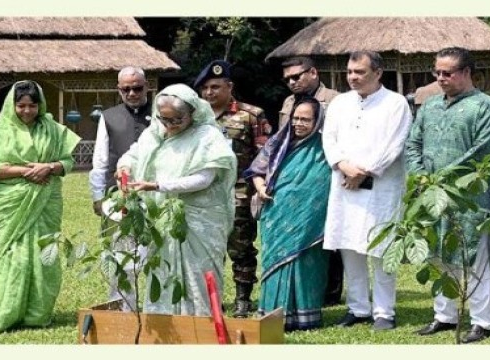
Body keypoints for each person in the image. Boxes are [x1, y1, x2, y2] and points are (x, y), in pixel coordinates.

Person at [0, 80, 80, 332]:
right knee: (11, 258)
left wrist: (49, 167)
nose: (27, 111)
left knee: (44, 257)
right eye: (21, 106)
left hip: (45, 201)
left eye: (32, 106)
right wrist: (26, 171)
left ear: (40, 106)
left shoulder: (53, 129)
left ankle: (37, 314)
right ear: (12, 105)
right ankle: (7, 313)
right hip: (8, 204)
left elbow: (68, 162)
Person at [116, 83, 236, 316]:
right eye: (164, 119)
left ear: (192, 113)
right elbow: (134, 153)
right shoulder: (155, 132)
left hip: (199, 220)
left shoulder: (208, 136)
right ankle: (164, 328)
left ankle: (201, 330)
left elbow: (204, 178)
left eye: (177, 120)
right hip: (161, 218)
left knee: (197, 276)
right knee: (162, 273)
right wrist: (124, 167)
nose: (170, 126)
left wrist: (158, 185)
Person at [406, 47, 490, 343]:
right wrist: (420, 176)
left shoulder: (486, 107)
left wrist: (439, 179)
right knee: (438, 254)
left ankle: (483, 321)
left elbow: (483, 150)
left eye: (448, 73)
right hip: (430, 194)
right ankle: (444, 316)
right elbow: (413, 143)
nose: (441, 78)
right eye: (437, 73)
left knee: (475, 256)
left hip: (470, 196)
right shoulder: (430, 106)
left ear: (467, 72)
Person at [322, 51, 412, 331]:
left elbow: (395, 145)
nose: (352, 77)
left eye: (359, 72)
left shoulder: (396, 103)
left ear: (378, 72)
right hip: (345, 183)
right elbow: (329, 138)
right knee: (349, 246)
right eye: (350, 72)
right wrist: (343, 165)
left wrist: (364, 172)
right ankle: (358, 308)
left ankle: (384, 312)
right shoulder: (340, 103)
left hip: (382, 187)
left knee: (382, 249)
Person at [245, 97, 331, 331]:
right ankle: (273, 313)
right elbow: (256, 170)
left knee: (305, 262)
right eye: (295, 118)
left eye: (305, 119)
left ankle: (304, 315)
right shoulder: (278, 142)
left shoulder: (326, 147)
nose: (299, 124)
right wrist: (261, 188)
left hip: (309, 218)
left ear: (317, 121)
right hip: (276, 213)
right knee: (274, 261)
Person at [194, 60, 271, 318]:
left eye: (215, 87)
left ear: (230, 87)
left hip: (239, 192)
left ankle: (242, 299)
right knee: (207, 248)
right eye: (205, 88)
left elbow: (264, 155)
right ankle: (210, 297)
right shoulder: (195, 118)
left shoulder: (251, 115)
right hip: (204, 194)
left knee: (241, 248)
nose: (209, 93)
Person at [279, 56, 343, 306]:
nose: (292, 82)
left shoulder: (337, 100)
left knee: (328, 234)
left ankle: (330, 292)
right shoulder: (288, 102)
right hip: (295, 176)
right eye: (287, 79)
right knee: (301, 231)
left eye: (296, 76)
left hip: (325, 171)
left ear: (313, 72)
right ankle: (302, 286)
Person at [88, 66, 151, 310]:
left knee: (156, 253)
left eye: (137, 88)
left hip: (155, 193)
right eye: (126, 89)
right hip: (119, 196)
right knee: (121, 253)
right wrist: (97, 196)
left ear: (147, 87)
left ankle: (158, 307)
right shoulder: (109, 116)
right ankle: (122, 305)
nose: (132, 93)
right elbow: (100, 160)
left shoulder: (162, 112)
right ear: (119, 90)